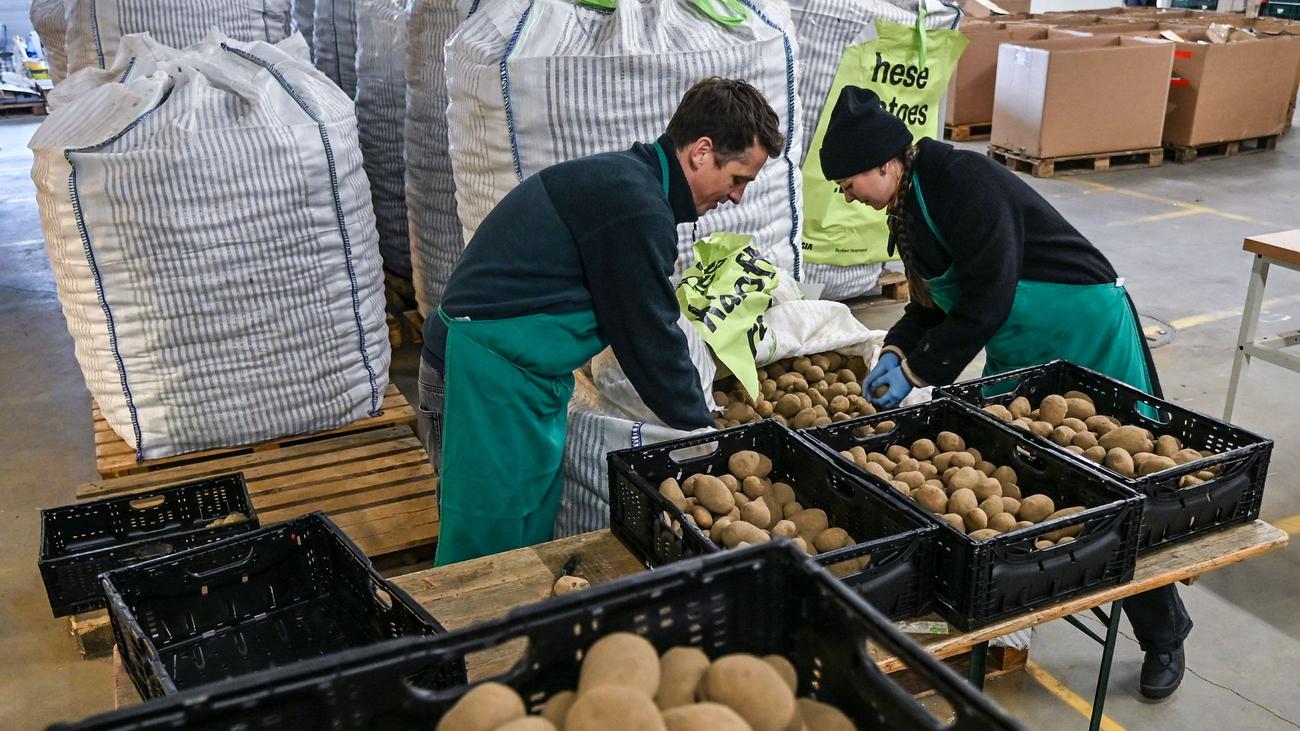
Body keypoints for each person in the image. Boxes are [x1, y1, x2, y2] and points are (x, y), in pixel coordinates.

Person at [818, 86, 1191, 700]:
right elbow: (933, 303)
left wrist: (920, 372)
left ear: (884, 164)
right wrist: (895, 349)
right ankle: (1030, 591)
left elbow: (986, 300)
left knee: (1115, 484)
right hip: (1021, 337)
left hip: (1080, 326)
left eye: (849, 182)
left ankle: (1164, 632)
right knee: (1023, 468)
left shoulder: (962, 181)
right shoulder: (908, 205)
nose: (847, 195)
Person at [416, 77, 785, 567]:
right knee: (483, 553)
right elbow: (649, 337)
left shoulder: (630, 184)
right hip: (482, 375)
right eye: (738, 178)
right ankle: (461, 643)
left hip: (522, 379)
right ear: (701, 152)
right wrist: (704, 435)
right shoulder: (634, 203)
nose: (737, 196)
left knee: (526, 535)